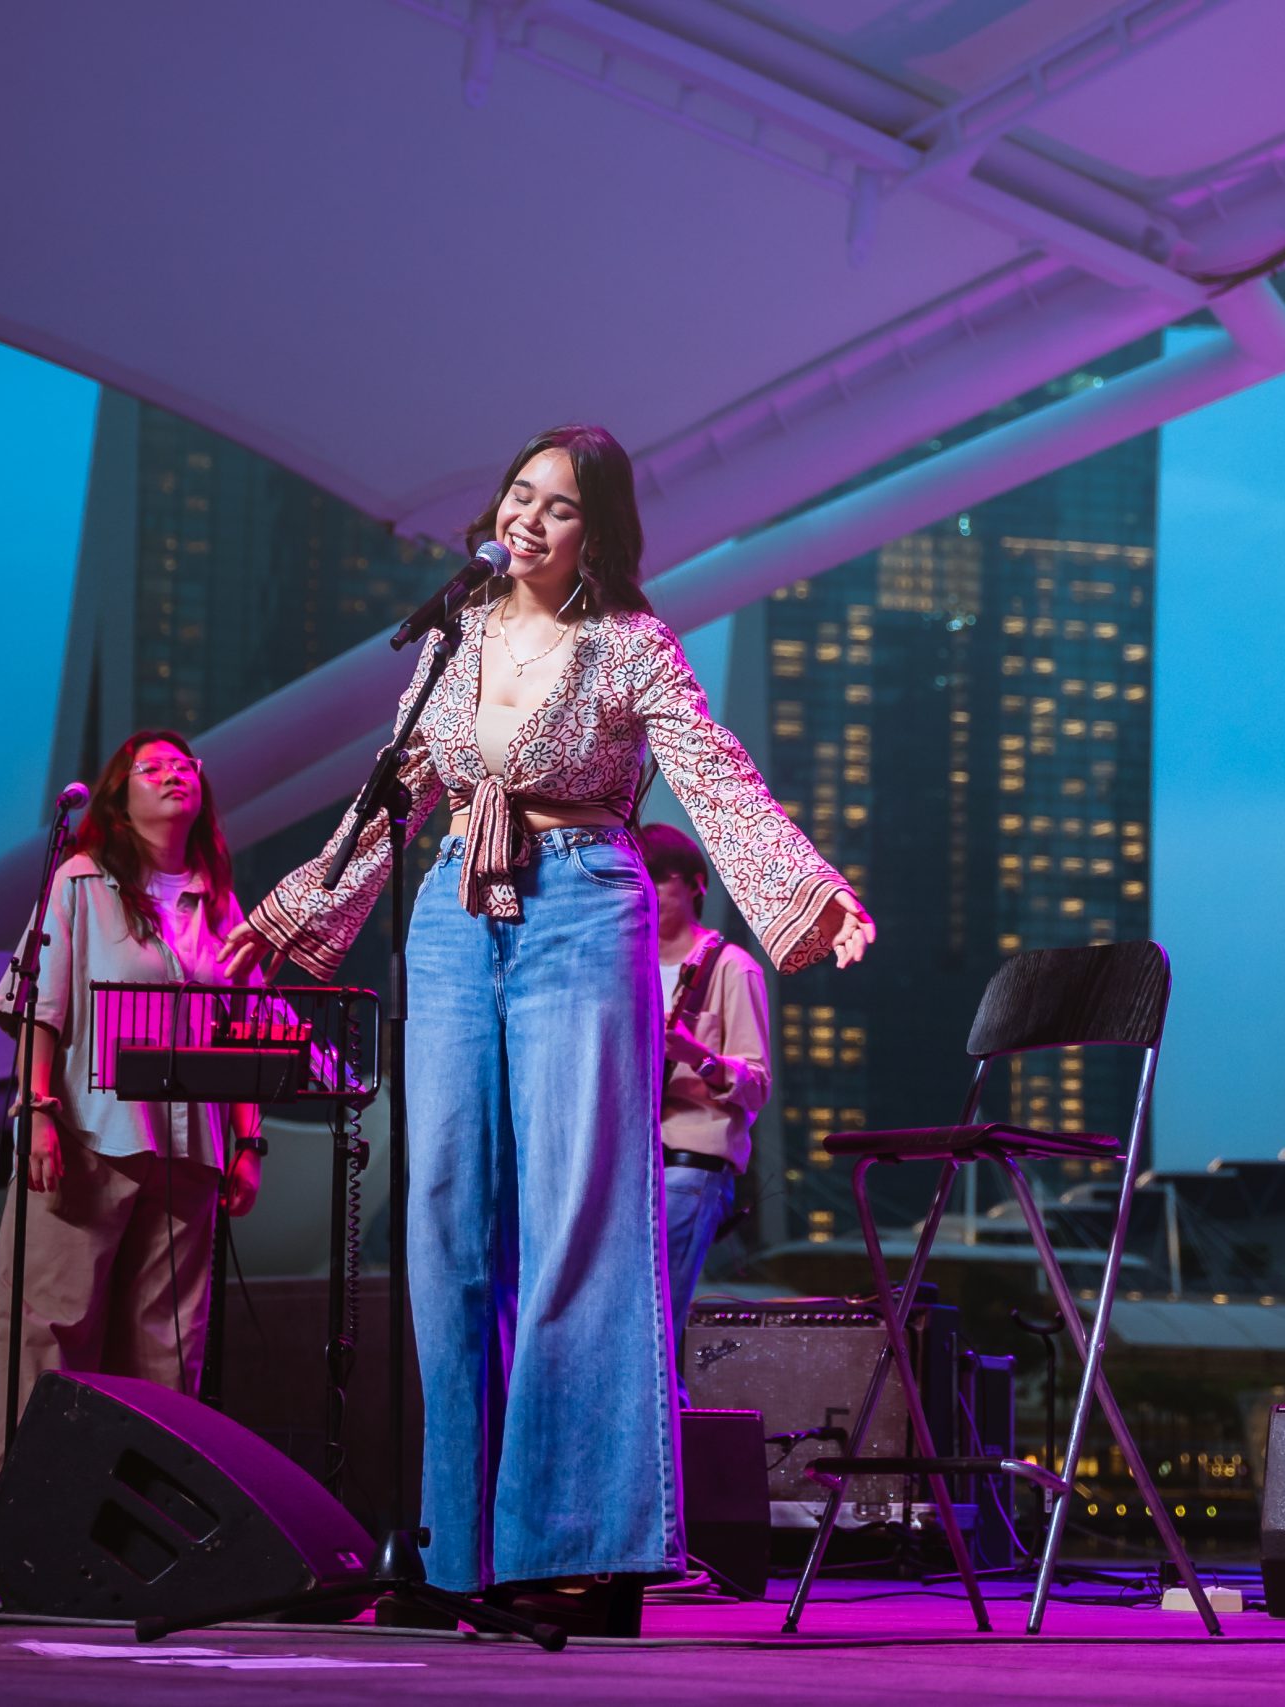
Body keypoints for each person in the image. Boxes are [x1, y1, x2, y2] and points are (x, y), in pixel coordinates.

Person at [221, 424, 873, 1629]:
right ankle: (452, 1547)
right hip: (455, 915)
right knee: (445, 1220)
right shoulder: (458, 636)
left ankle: (573, 1544)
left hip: (581, 899)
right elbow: (393, 792)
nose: (528, 518)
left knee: (577, 1220)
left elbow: (714, 775)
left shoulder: (631, 643)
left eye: (558, 507)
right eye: (519, 495)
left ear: (598, 533)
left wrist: (804, 890)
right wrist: (293, 911)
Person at [0, 730, 266, 1569]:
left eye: (183, 765)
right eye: (151, 768)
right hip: (93, 1134)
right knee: (46, 1332)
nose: (173, 774)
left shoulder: (217, 899)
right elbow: (42, 1006)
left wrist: (249, 1140)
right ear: (117, 796)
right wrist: (39, 1109)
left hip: (190, 1147)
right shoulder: (80, 880)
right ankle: (7, 1524)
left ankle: (138, 1536)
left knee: (167, 1349)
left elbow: (238, 1031)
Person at [638, 821, 772, 1366]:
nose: (647, 888)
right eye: (638, 877)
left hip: (688, 1167)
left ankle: (670, 1442)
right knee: (623, 1327)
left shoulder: (730, 968)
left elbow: (757, 1082)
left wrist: (700, 1056)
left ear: (696, 885)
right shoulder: (626, 963)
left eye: (659, 877)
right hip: (622, 1167)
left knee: (656, 1327)